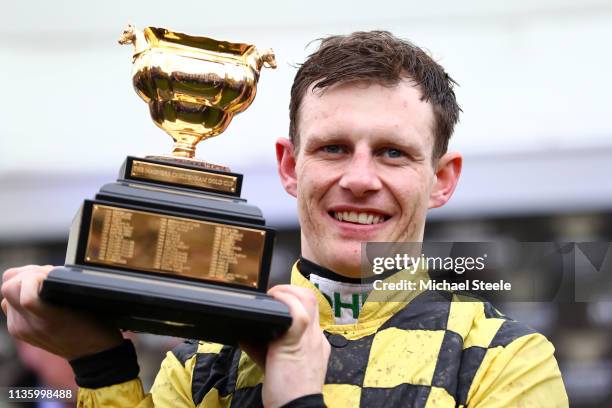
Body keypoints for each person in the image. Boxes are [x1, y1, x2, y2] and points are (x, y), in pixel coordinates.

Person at [1, 31, 568, 407]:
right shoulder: (203, 364)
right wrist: (101, 364)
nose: (361, 178)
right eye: (333, 148)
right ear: (290, 167)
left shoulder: (505, 359)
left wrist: (299, 398)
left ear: (441, 179)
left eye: (393, 152)